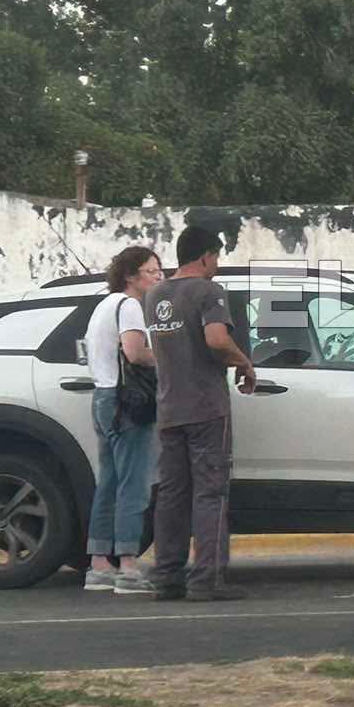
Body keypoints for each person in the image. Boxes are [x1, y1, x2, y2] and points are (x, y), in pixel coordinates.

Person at [146, 226, 257, 602]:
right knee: (210, 493)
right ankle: (206, 579)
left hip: (169, 408)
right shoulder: (209, 292)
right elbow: (216, 340)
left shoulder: (155, 294)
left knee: (172, 495)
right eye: (216, 257)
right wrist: (244, 363)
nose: (217, 266)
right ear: (205, 256)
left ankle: (167, 576)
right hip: (206, 409)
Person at [84, 245, 161, 593]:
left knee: (110, 482)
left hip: (103, 398)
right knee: (133, 484)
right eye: (151, 271)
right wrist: (168, 353)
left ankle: (99, 563)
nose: (158, 277)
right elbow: (135, 352)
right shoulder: (130, 306)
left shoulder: (103, 306)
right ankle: (128, 564)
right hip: (127, 402)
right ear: (131, 276)